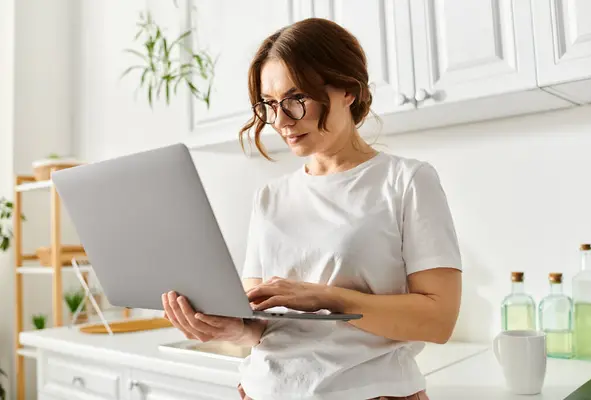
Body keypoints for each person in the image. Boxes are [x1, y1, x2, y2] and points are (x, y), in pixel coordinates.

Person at [162, 17, 462, 400]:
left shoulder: (406, 181)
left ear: (348, 91)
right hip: (260, 390)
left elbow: (438, 320)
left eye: (296, 99)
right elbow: (262, 328)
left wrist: (327, 297)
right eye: (269, 105)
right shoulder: (270, 197)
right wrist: (225, 327)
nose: (281, 121)